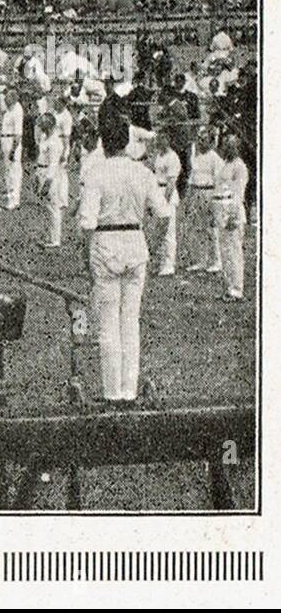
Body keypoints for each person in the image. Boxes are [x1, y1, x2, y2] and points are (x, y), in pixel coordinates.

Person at [76, 99, 171, 403]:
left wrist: (86, 258)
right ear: (127, 141)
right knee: (131, 321)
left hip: (105, 244)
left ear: (103, 142)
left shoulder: (96, 173)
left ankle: (112, 391)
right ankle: (128, 390)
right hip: (135, 243)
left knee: (108, 323)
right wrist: (152, 247)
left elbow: (87, 223)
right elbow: (164, 214)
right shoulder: (142, 173)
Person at [215, 134, 249, 301]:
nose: (227, 148)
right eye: (226, 145)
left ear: (237, 148)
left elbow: (238, 193)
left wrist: (233, 216)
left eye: (231, 145)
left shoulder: (239, 167)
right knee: (225, 252)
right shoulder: (225, 164)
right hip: (222, 209)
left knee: (234, 252)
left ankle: (237, 289)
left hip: (232, 212)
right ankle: (229, 287)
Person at [185, 127, 223, 274]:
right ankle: (201, 260)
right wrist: (189, 199)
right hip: (197, 193)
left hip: (210, 193)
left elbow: (218, 182)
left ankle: (216, 261)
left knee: (212, 229)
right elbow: (191, 179)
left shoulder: (215, 159)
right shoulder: (197, 158)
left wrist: (216, 202)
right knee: (198, 228)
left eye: (204, 140)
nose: (201, 142)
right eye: (199, 139)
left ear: (211, 142)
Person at [148, 131, 182, 277]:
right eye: (157, 138)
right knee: (158, 230)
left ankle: (169, 264)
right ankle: (160, 262)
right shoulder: (159, 156)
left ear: (168, 139)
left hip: (166, 194)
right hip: (157, 191)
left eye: (162, 138)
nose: (158, 141)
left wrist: (164, 202)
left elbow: (171, 183)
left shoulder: (172, 157)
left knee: (168, 231)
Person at [36, 112, 66, 248]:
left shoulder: (55, 142)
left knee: (54, 207)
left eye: (43, 124)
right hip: (41, 171)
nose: (40, 126)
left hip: (51, 175)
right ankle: (50, 236)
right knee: (48, 208)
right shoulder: (44, 138)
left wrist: (47, 183)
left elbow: (53, 164)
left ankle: (55, 239)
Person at [0, 86, 24, 210]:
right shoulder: (9, 110)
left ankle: (14, 200)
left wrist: (14, 149)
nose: (4, 99)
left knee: (14, 172)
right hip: (5, 140)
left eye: (7, 97)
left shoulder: (17, 110)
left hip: (12, 141)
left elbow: (18, 134)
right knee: (8, 172)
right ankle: (11, 198)